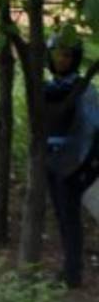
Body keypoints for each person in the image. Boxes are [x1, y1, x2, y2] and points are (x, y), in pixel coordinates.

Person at [44, 35, 99, 288]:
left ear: (74, 59)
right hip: (51, 161)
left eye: (66, 55)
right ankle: (69, 268)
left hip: (73, 164)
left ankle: (73, 272)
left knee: (71, 217)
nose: (61, 60)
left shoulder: (84, 89)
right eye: (57, 54)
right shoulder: (47, 88)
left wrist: (77, 165)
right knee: (61, 217)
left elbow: (91, 129)